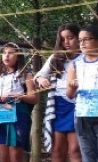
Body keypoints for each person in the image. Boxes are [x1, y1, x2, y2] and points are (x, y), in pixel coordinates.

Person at [34, 23, 81, 162]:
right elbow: (39, 75)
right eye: (62, 39)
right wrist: (42, 79)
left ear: (79, 38)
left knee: (75, 149)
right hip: (58, 106)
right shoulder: (56, 57)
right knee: (57, 149)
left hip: (79, 105)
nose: (66, 42)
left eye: (70, 37)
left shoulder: (86, 57)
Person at [0, 42, 38, 162]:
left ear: (18, 56)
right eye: (4, 53)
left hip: (18, 115)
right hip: (1, 115)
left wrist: (18, 96)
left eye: (11, 53)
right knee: (3, 157)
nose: (6, 56)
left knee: (15, 157)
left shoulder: (26, 74)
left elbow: (34, 98)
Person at [67, 24, 98, 162]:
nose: (82, 43)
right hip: (82, 115)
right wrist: (72, 87)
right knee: (88, 156)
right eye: (80, 40)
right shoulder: (75, 64)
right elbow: (69, 94)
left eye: (86, 39)